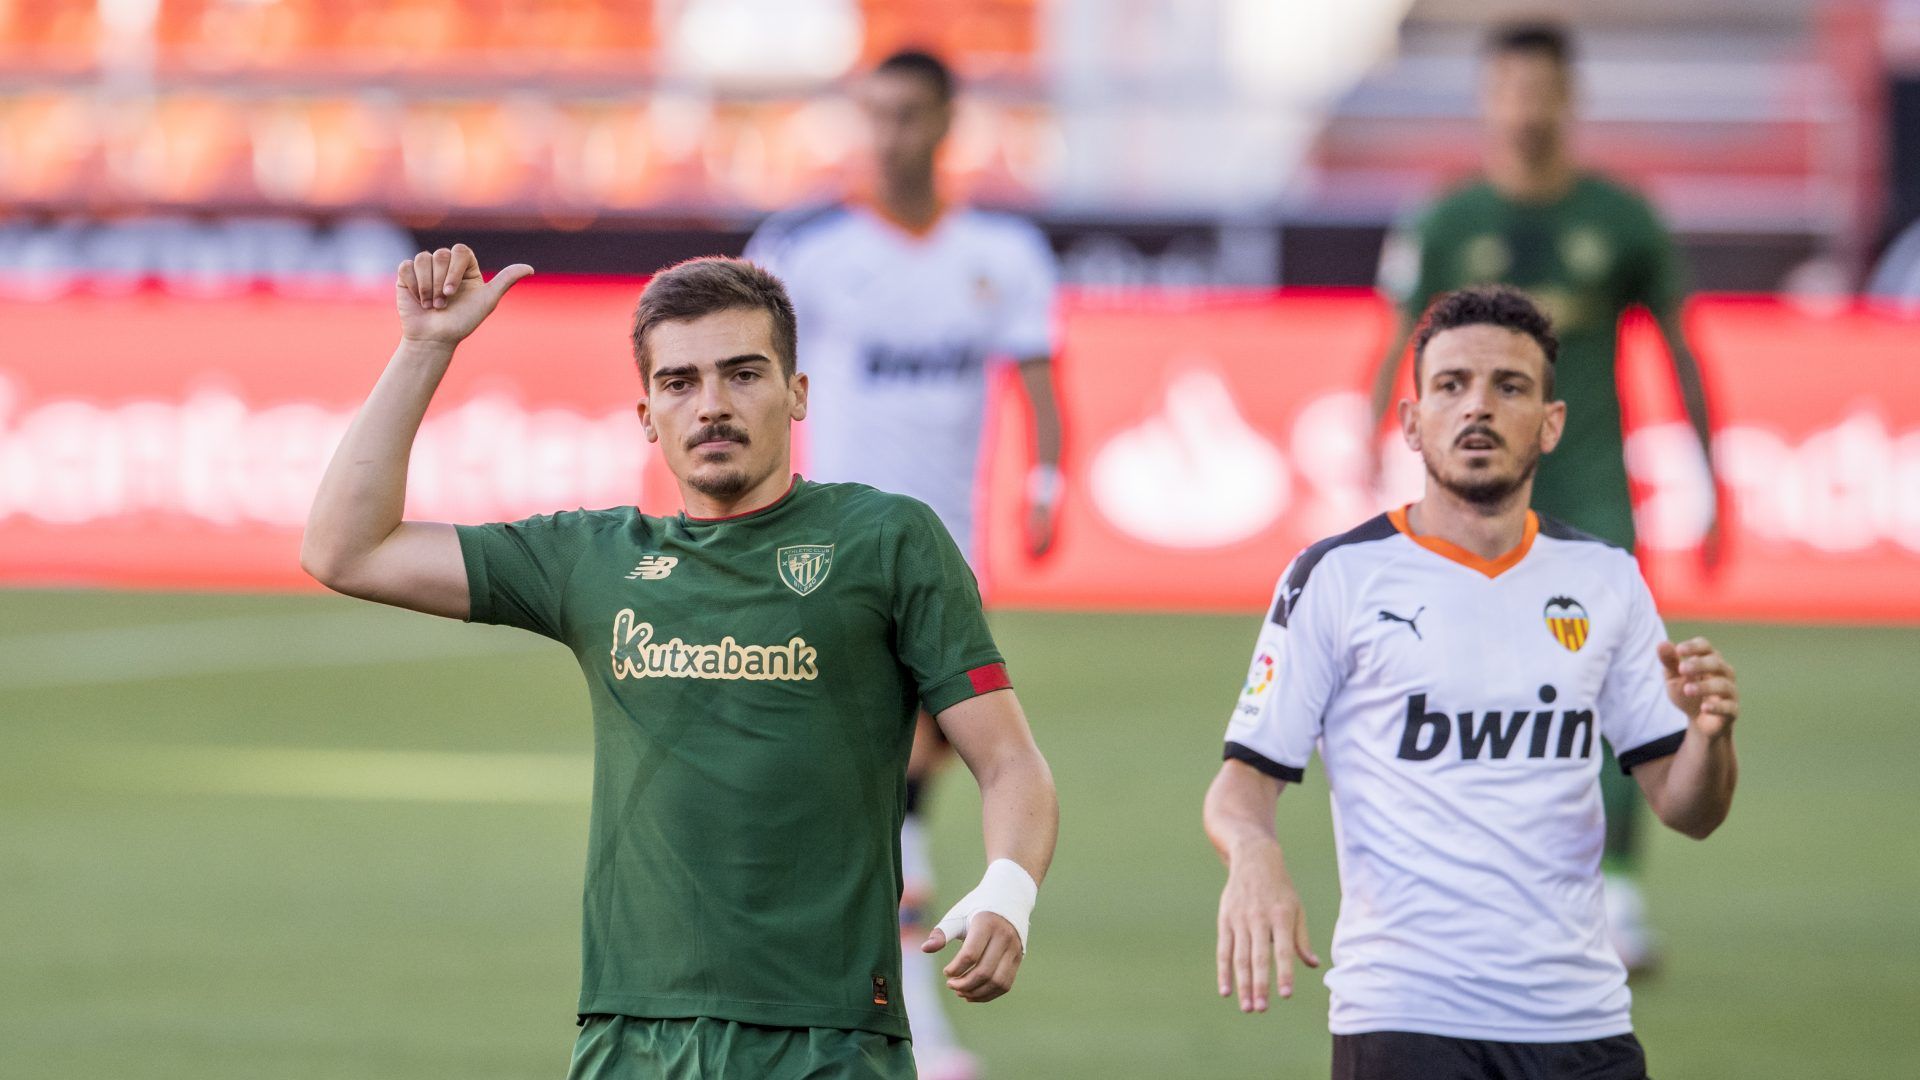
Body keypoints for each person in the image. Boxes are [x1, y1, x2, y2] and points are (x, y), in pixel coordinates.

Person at [302, 245, 1059, 1079]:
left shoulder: (887, 539)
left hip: (827, 1039)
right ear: (646, 413)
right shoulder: (593, 557)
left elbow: (1009, 758)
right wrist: (425, 348)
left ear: (797, 393)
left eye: (743, 374)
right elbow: (347, 549)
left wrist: (1009, 889)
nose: (712, 406)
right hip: (630, 1033)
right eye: (679, 382)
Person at [1211, 287, 1740, 1080]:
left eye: (1510, 386)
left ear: (1552, 423)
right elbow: (1242, 779)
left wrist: (1711, 738)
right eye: (1451, 385)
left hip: (1584, 1024)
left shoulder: (1607, 581)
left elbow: (1688, 809)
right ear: (1411, 421)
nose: (1478, 408)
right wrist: (1253, 855)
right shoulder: (1337, 578)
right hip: (1407, 1019)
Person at [1366, 22, 1722, 971]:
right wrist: (1370, 457)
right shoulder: (1445, 221)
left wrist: (1714, 479)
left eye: (1542, 89)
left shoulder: (1623, 217)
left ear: (1570, 98)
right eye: (1509, 88)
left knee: (1621, 682)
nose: (1525, 106)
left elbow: (1682, 350)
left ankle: (1620, 892)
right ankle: (1483, 884)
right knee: (1469, 685)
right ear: (1488, 98)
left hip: (1594, 492)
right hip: (1472, 505)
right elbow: (1397, 344)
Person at [745, 48, 1064, 1078]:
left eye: (909, 115)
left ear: (945, 123)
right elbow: (734, 383)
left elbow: (1038, 375)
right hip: (823, 559)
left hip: (944, 562)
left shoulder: (1000, 252)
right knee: (883, 795)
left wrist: (1047, 480)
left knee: (888, 798)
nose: (889, 134)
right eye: (874, 114)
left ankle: (879, 1023)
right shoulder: (807, 248)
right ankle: (905, 1030)